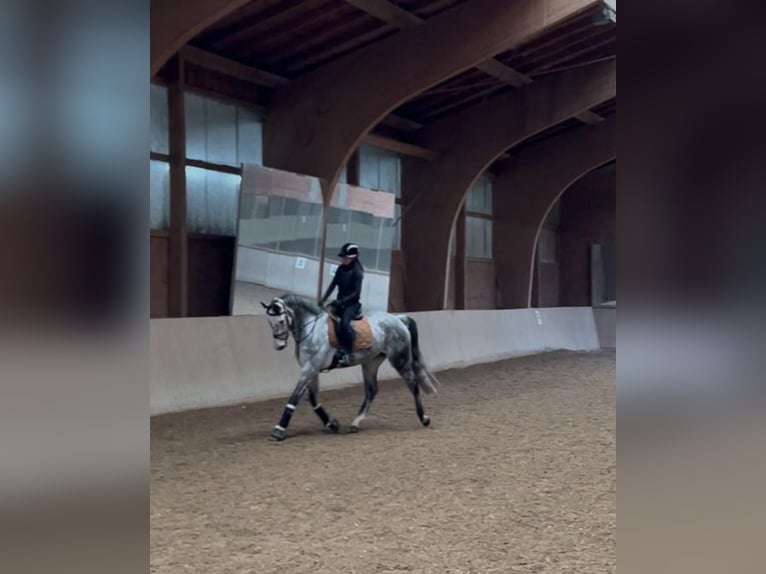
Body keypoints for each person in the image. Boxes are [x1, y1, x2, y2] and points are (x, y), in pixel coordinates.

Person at [320, 242, 364, 367]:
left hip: (352, 305)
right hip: (339, 303)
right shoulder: (340, 269)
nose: (343, 260)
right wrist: (323, 299)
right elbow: (333, 285)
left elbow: (356, 294)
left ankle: (349, 353)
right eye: (343, 258)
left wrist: (341, 302)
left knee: (344, 324)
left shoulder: (357, 272)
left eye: (346, 258)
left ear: (353, 258)